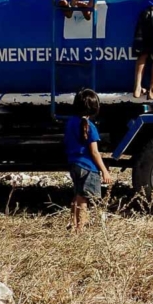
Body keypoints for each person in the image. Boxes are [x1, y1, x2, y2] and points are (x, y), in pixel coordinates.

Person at [65, 89, 112, 232]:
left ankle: (73, 225)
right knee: (84, 199)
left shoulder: (71, 122)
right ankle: (80, 228)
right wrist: (104, 171)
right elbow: (94, 152)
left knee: (78, 195)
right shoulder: (90, 127)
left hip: (74, 164)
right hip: (87, 167)